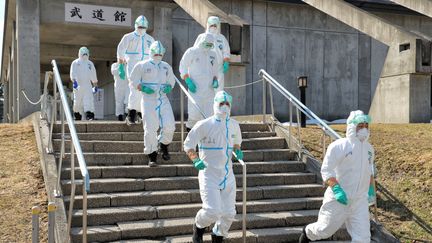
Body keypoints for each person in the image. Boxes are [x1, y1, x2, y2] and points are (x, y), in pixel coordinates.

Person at [299, 110, 375, 243]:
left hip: (359, 201)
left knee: (363, 238)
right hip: (339, 199)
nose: (364, 129)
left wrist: (370, 190)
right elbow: (326, 170)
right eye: (360, 126)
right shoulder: (339, 146)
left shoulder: (369, 149)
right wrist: (337, 189)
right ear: (352, 126)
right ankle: (307, 233)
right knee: (324, 230)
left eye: (366, 126)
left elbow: (369, 171)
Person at [184, 91, 244, 243]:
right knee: (212, 211)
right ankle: (198, 227)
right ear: (215, 105)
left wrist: (237, 149)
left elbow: (236, 141)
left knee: (229, 213)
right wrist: (195, 158)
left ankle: (218, 236)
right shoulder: (204, 125)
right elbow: (188, 144)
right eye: (221, 103)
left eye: (227, 103)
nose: (224, 106)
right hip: (208, 173)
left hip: (227, 173)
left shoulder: (234, 125)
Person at [130, 41, 176, 167]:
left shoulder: (166, 66)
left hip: (163, 99)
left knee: (170, 126)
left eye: (160, 54)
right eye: (155, 53)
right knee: (150, 129)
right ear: (151, 52)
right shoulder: (142, 65)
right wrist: (142, 87)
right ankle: (152, 155)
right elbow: (133, 79)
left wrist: (169, 87)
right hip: (148, 100)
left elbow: (171, 81)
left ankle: (164, 145)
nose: (158, 55)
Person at [117, 15, 155, 125]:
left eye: (144, 27)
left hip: (146, 67)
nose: (141, 29)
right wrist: (120, 66)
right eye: (140, 27)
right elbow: (120, 51)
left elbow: (153, 53)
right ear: (135, 26)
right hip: (132, 66)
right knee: (135, 89)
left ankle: (139, 113)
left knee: (143, 91)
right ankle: (131, 114)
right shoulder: (128, 37)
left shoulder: (150, 39)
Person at [179, 33, 220, 131]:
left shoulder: (213, 54)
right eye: (207, 44)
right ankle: (189, 139)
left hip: (209, 90)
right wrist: (188, 80)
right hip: (195, 90)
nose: (208, 47)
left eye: (210, 45)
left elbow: (215, 70)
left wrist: (215, 80)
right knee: (194, 115)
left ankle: (205, 142)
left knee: (209, 115)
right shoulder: (192, 52)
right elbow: (183, 66)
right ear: (201, 41)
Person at [193, 16, 230, 92]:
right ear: (208, 25)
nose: (213, 27)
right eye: (211, 25)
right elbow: (195, 51)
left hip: (218, 69)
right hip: (204, 68)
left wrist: (226, 62)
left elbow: (226, 51)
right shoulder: (202, 37)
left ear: (218, 25)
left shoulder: (222, 38)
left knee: (218, 91)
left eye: (215, 25)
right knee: (205, 91)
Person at [70, 46, 98, 121]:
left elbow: (93, 74)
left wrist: (95, 84)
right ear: (80, 53)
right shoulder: (75, 63)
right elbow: (73, 73)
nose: (85, 54)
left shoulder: (90, 64)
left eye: (86, 53)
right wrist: (74, 81)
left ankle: (89, 115)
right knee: (77, 102)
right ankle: (77, 114)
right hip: (78, 85)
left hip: (87, 85)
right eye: (83, 53)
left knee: (88, 100)